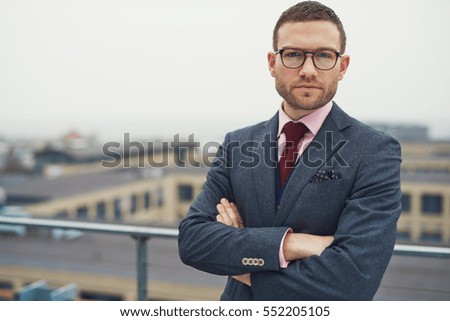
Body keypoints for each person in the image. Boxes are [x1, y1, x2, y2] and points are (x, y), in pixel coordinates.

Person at [178, 1, 401, 300]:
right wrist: (290, 244)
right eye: (294, 55)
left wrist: (238, 259)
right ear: (272, 63)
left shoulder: (375, 151)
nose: (308, 70)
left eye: (323, 55)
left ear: (342, 66)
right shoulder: (237, 144)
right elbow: (193, 242)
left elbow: (353, 279)